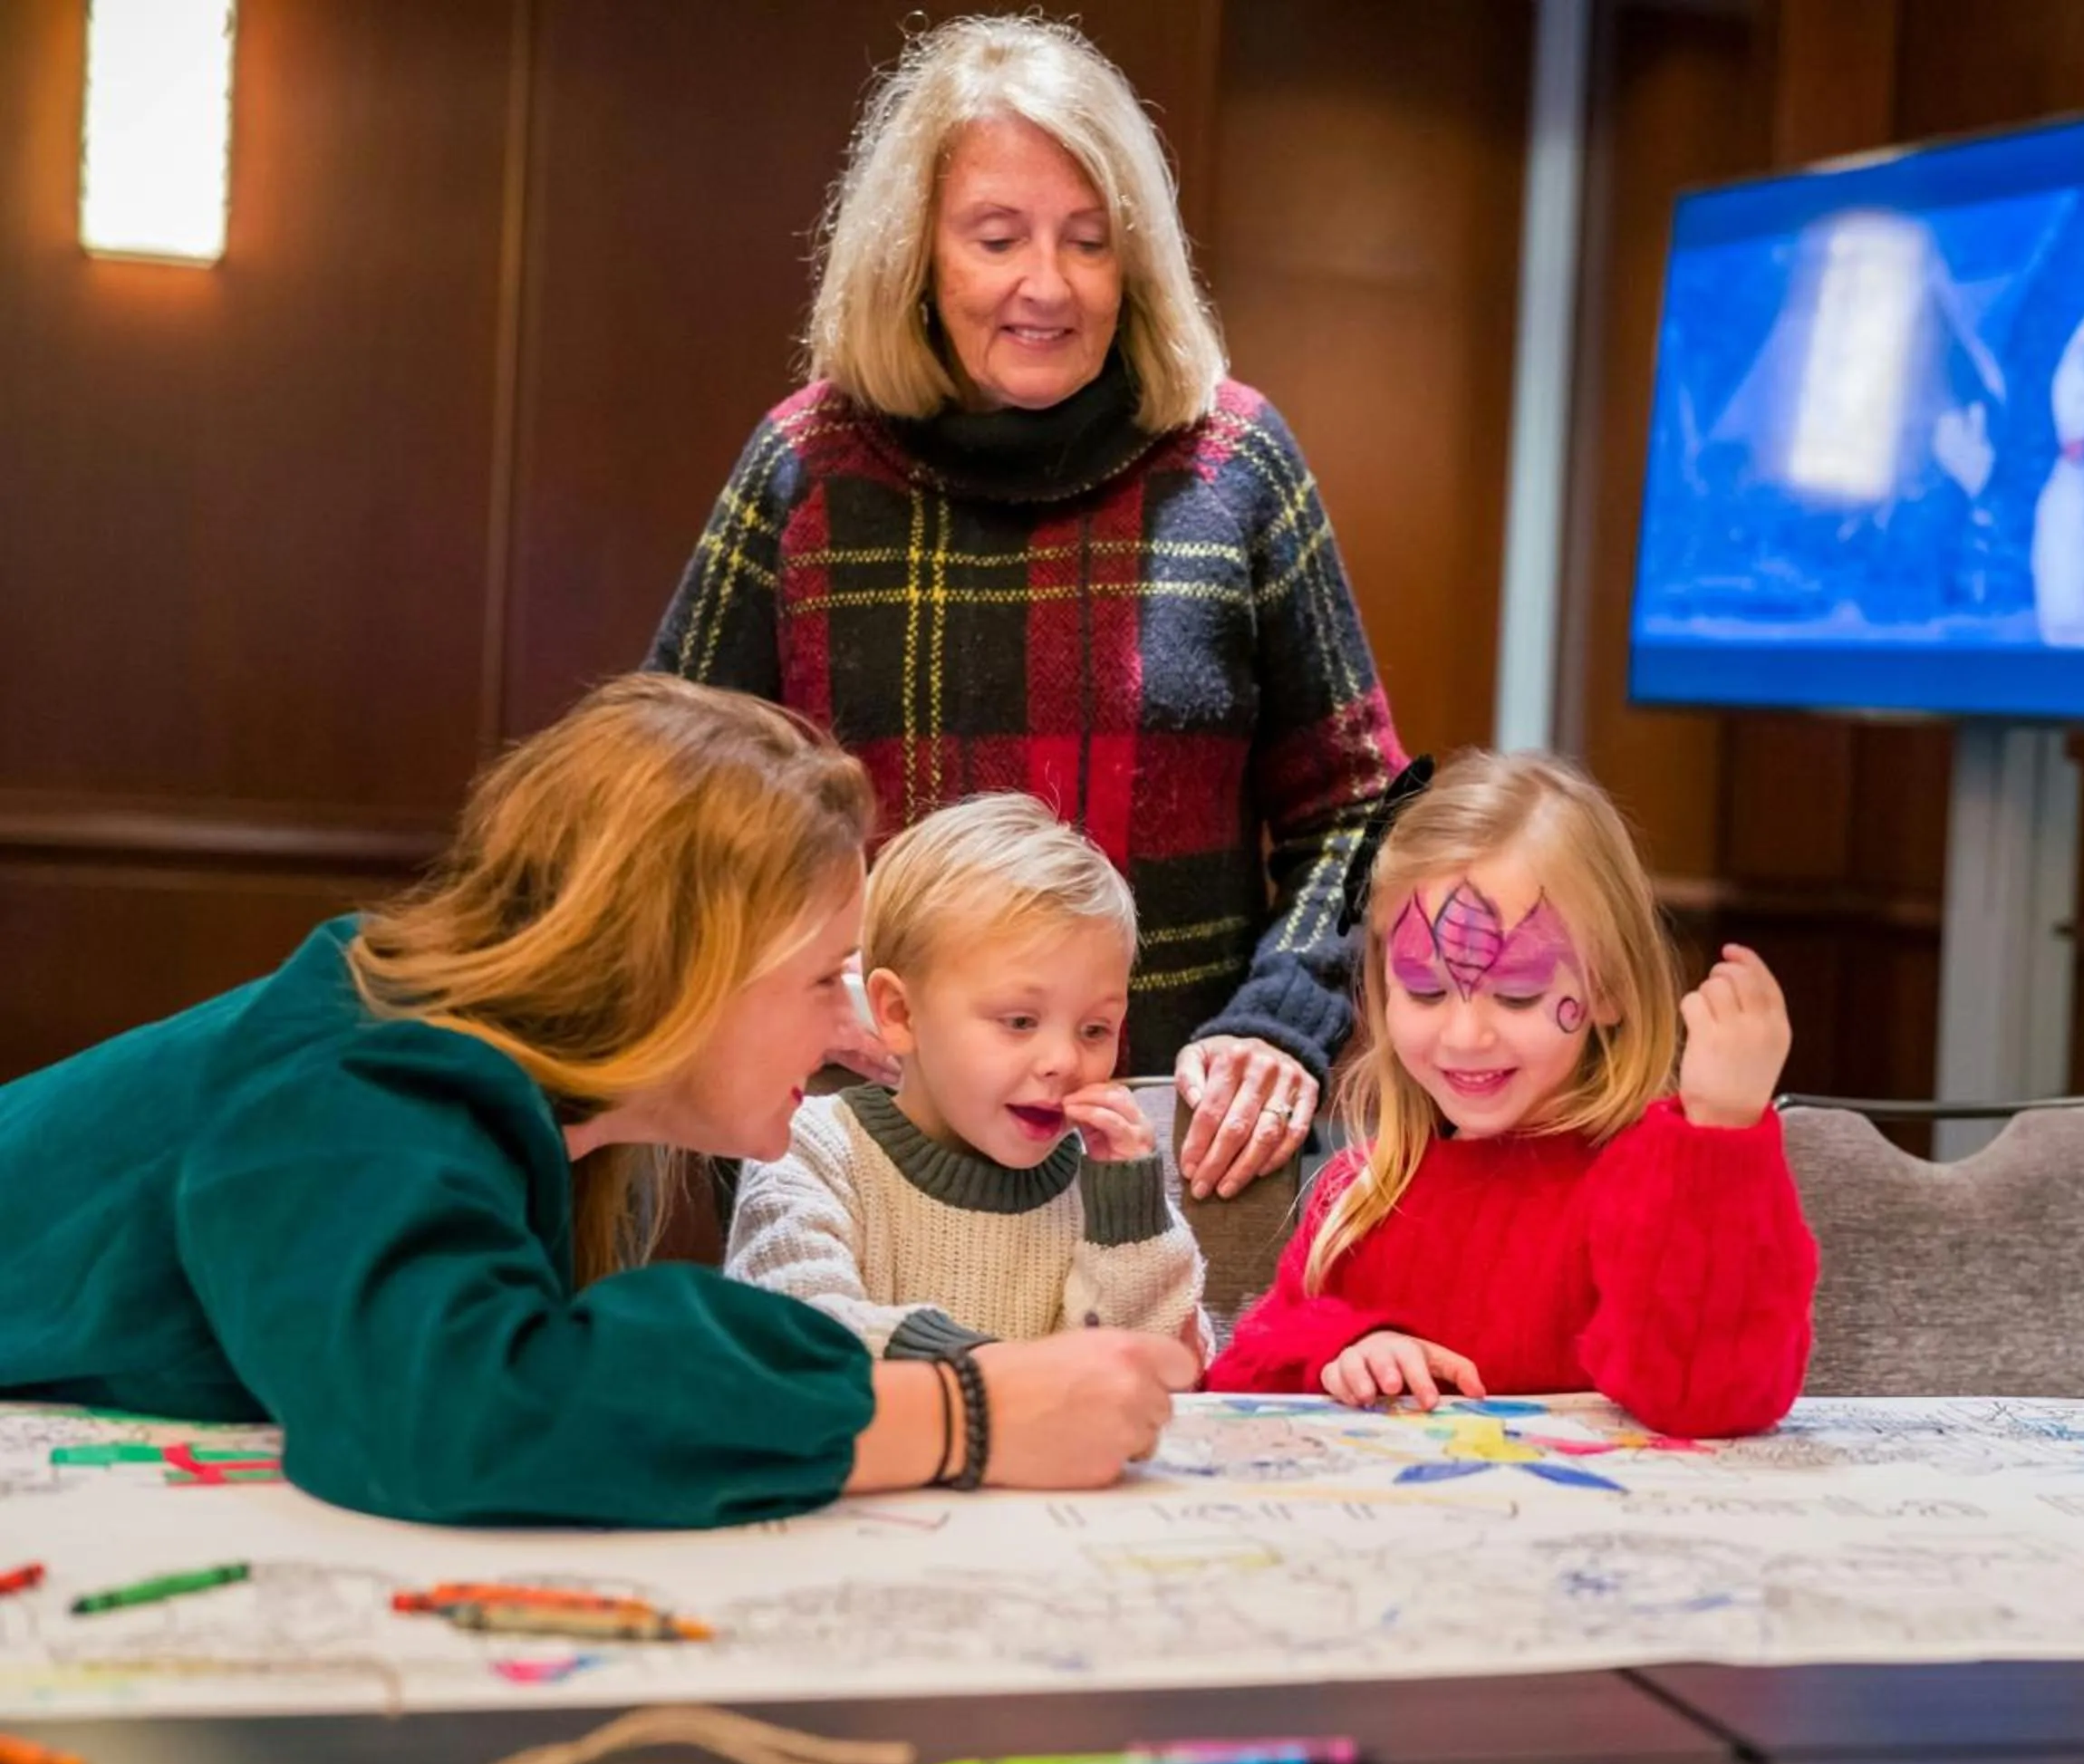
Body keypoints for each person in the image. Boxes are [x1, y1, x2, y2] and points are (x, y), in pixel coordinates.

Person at [0, 676, 1192, 1528]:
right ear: (676, 971)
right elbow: (449, 1415)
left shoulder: (512, 1106)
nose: (851, 1034)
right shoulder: (355, 1078)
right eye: (821, 977)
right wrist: (962, 1416)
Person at [647, 14, 1404, 1204]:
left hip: (1174, 1145)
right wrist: (791, 985)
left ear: (1136, 263)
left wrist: (1282, 1016)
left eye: (1089, 242)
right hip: (862, 1152)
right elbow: (669, 807)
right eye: (997, 237)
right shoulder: (804, 467)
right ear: (918, 256)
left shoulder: (1236, 462)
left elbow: (1356, 807)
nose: (1045, 284)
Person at [1203, 753, 1819, 1440]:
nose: (1466, 1035)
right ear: (1382, 985)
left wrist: (1722, 1136)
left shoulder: (1660, 1182)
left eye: (1520, 994)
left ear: (1609, 988)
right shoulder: (1364, 1192)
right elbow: (1238, 1380)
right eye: (1427, 990)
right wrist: (1342, 1351)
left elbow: (1710, 1401)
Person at [727, 793, 1211, 1361]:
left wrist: (1131, 1221)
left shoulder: (1101, 1185)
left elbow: (1156, 1372)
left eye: (1095, 1029)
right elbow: (798, 1328)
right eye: (1020, 1021)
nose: (1064, 1060)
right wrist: (998, 1375)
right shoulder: (809, 1148)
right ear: (900, 1015)